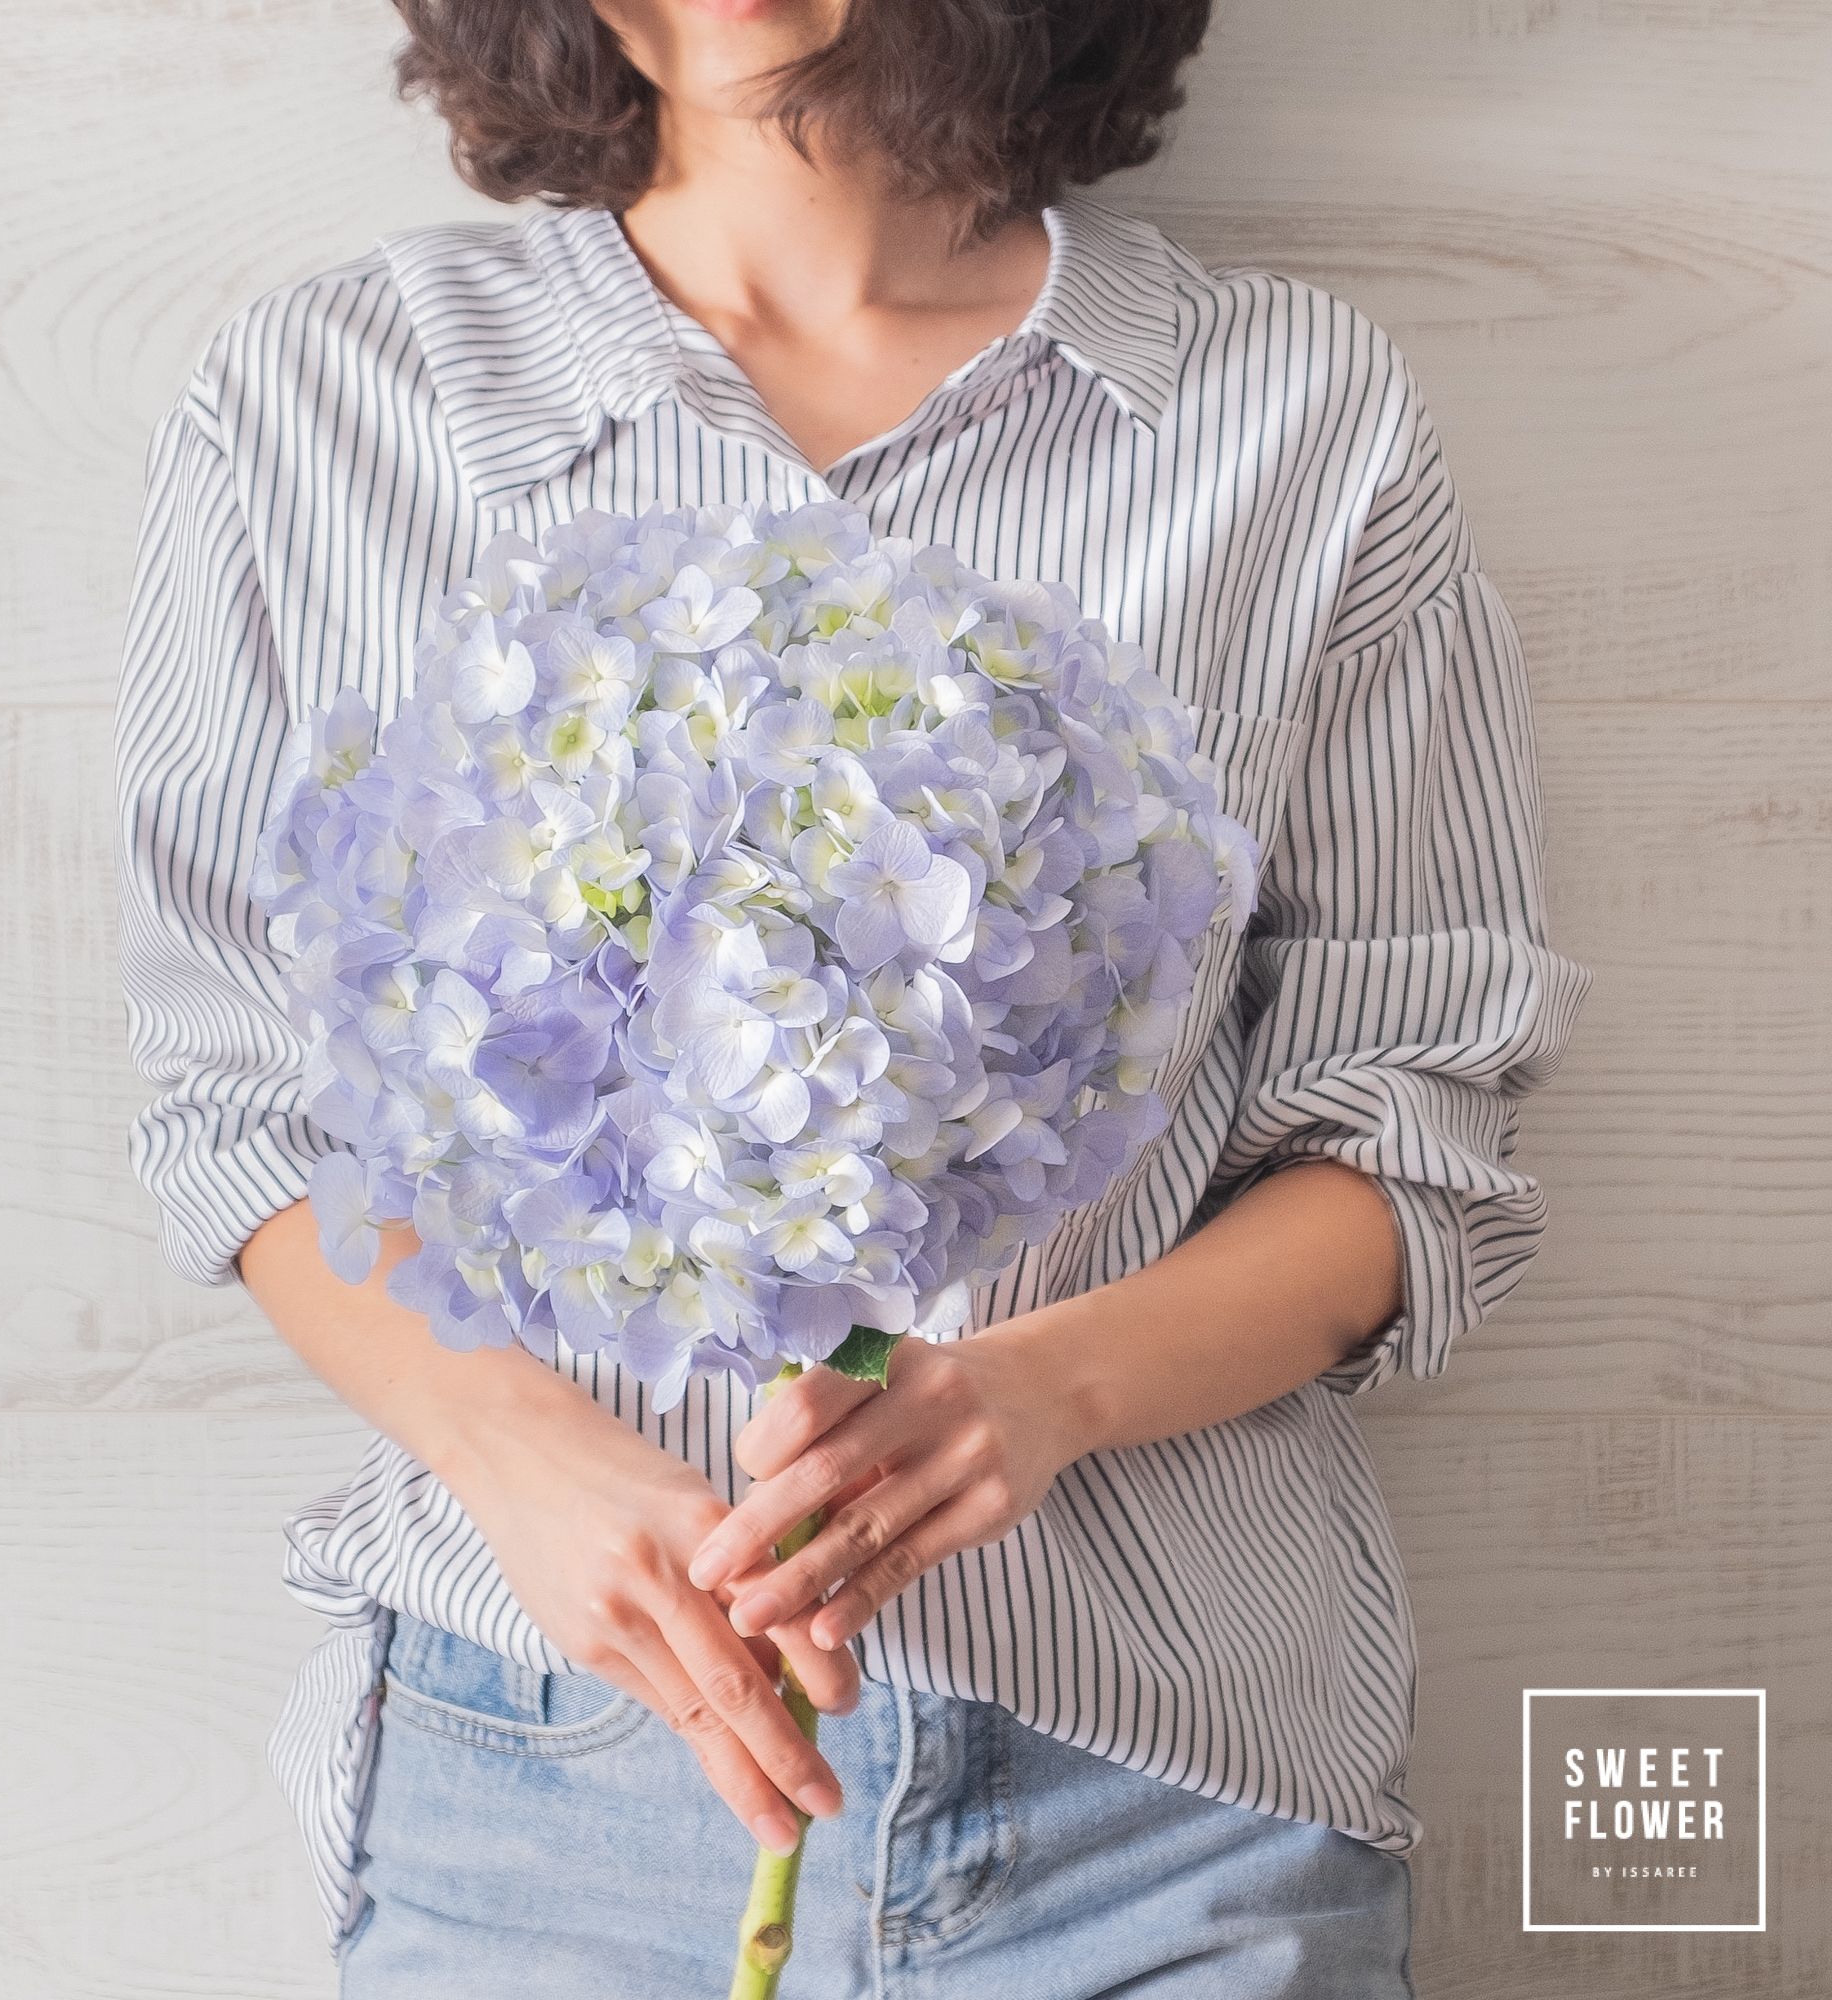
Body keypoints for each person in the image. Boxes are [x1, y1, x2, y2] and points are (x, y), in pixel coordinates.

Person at [112, 1, 1592, 1993]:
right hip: (541, 1790)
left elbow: (1408, 1132)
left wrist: (1041, 1395)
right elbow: (237, 1103)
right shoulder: (326, 401)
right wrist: (518, 1450)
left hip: (1161, 1796)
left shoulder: (1287, 415)